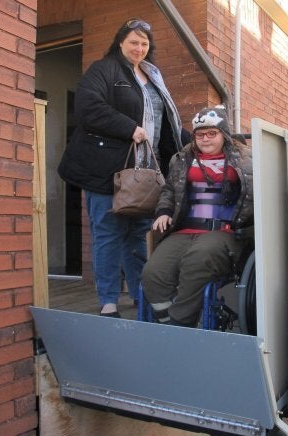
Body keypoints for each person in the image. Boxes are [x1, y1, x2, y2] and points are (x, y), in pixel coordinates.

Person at [58, 18, 184, 318]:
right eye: (133, 42)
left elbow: (166, 123)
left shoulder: (153, 76)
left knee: (139, 236)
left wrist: (191, 141)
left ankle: (143, 296)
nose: (139, 48)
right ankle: (109, 300)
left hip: (141, 174)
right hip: (106, 170)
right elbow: (88, 107)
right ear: (120, 43)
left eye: (144, 43)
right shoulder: (105, 70)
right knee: (108, 234)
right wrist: (129, 127)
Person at [141, 105, 254, 327]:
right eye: (200, 134)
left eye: (212, 133)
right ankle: (165, 320)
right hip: (184, 229)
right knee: (154, 272)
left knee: (197, 260)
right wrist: (163, 211)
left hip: (224, 231)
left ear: (224, 134)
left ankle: (179, 326)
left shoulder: (246, 160)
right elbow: (169, 190)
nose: (205, 138)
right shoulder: (182, 159)